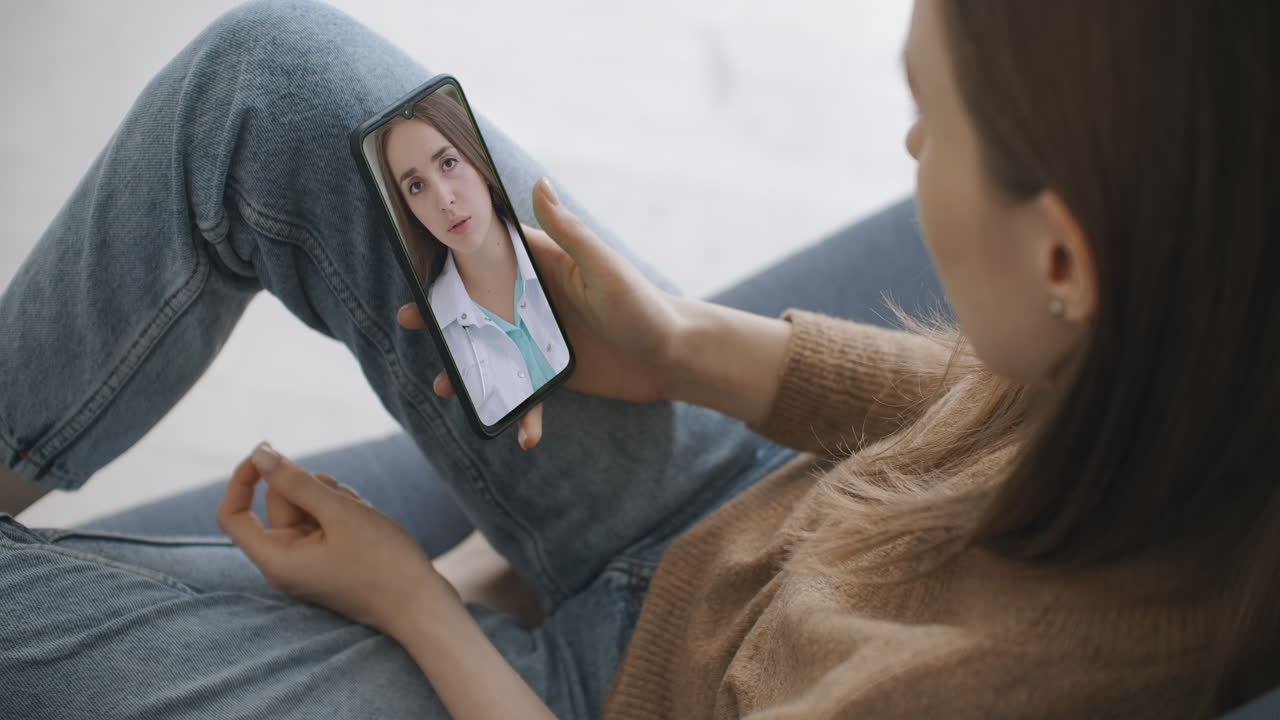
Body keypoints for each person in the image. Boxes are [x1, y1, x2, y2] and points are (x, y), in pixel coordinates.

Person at [0, 1, 1277, 719]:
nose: (904, 150)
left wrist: (414, 600)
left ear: (1059, 263)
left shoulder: (974, 695)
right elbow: (979, 399)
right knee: (272, 79)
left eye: (927, 122)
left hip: (583, 699)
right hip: (732, 509)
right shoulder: (1201, 343)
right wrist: (680, 348)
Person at [375, 89, 569, 426]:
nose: (444, 200)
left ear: (478, 160)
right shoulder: (440, 322)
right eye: (416, 186)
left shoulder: (558, 261)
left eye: (449, 163)